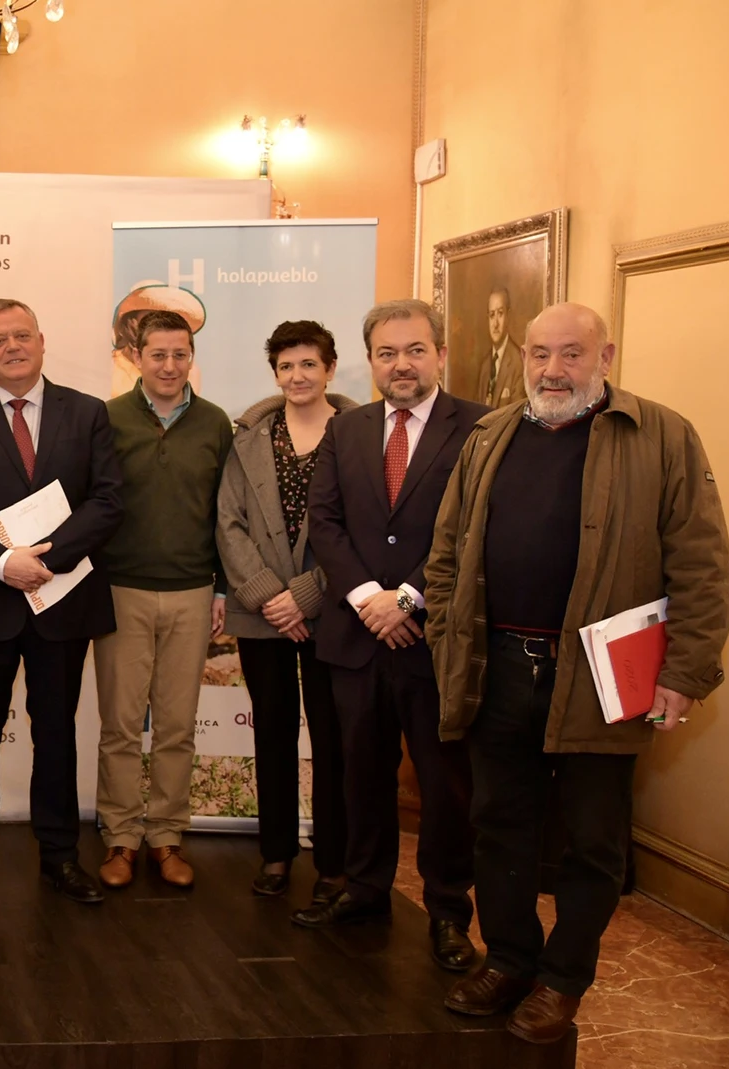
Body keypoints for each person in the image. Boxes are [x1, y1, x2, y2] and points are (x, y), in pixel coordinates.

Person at [427, 302, 729, 1044]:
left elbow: (703, 565)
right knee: (498, 825)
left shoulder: (660, 435)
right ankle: (507, 959)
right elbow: (446, 554)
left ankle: (564, 979)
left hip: (604, 677)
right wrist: (445, 638)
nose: (552, 370)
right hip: (498, 667)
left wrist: (685, 670)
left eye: (570, 353)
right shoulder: (491, 435)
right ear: (522, 358)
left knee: (594, 839)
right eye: (539, 354)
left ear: (606, 355)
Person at [294, 298, 489, 976]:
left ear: (439, 354)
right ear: (369, 360)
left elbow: (474, 530)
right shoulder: (346, 429)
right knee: (359, 772)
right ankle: (365, 888)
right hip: (355, 636)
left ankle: (446, 912)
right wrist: (366, 599)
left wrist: (407, 597)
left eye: (414, 350)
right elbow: (325, 521)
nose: (400, 363)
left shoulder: (482, 429)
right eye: (387, 352)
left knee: (444, 785)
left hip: (433, 640)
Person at [0, 298, 122, 905]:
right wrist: (5, 562)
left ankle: (60, 857)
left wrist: (48, 559)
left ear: (41, 340)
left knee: (56, 734)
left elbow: (108, 500)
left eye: (21, 336)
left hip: (61, 601)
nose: (11, 347)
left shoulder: (87, 414)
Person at [90, 309, 233, 890]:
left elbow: (229, 513)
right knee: (121, 726)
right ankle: (121, 838)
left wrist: (223, 586)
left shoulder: (216, 423)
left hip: (194, 590)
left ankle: (167, 836)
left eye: (180, 354)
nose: (169, 365)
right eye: (158, 355)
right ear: (135, 358)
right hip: (121, 588)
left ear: (191, 357)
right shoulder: (108, 419)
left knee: (177, 725)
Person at [216, 321, 358, 901]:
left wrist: (302, 598)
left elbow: (361, 529)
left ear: (329, 367)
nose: (297, 376)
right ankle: (275, 854)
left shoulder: (359, 434)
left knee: (332, 739)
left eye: (308, 364)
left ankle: (333, 863)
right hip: (260, 615)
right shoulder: (248, 435)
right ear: (274, 373)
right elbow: (228, 521)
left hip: (333, 612)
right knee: (271, 733)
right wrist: (267, 597)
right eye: (285, 366)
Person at [476, 287, 523, 408]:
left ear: (508, 316)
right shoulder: (485, 365)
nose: (495, 324)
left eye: (500, 314)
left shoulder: (519, 363)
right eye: (492, 315)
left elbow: (517, 417)